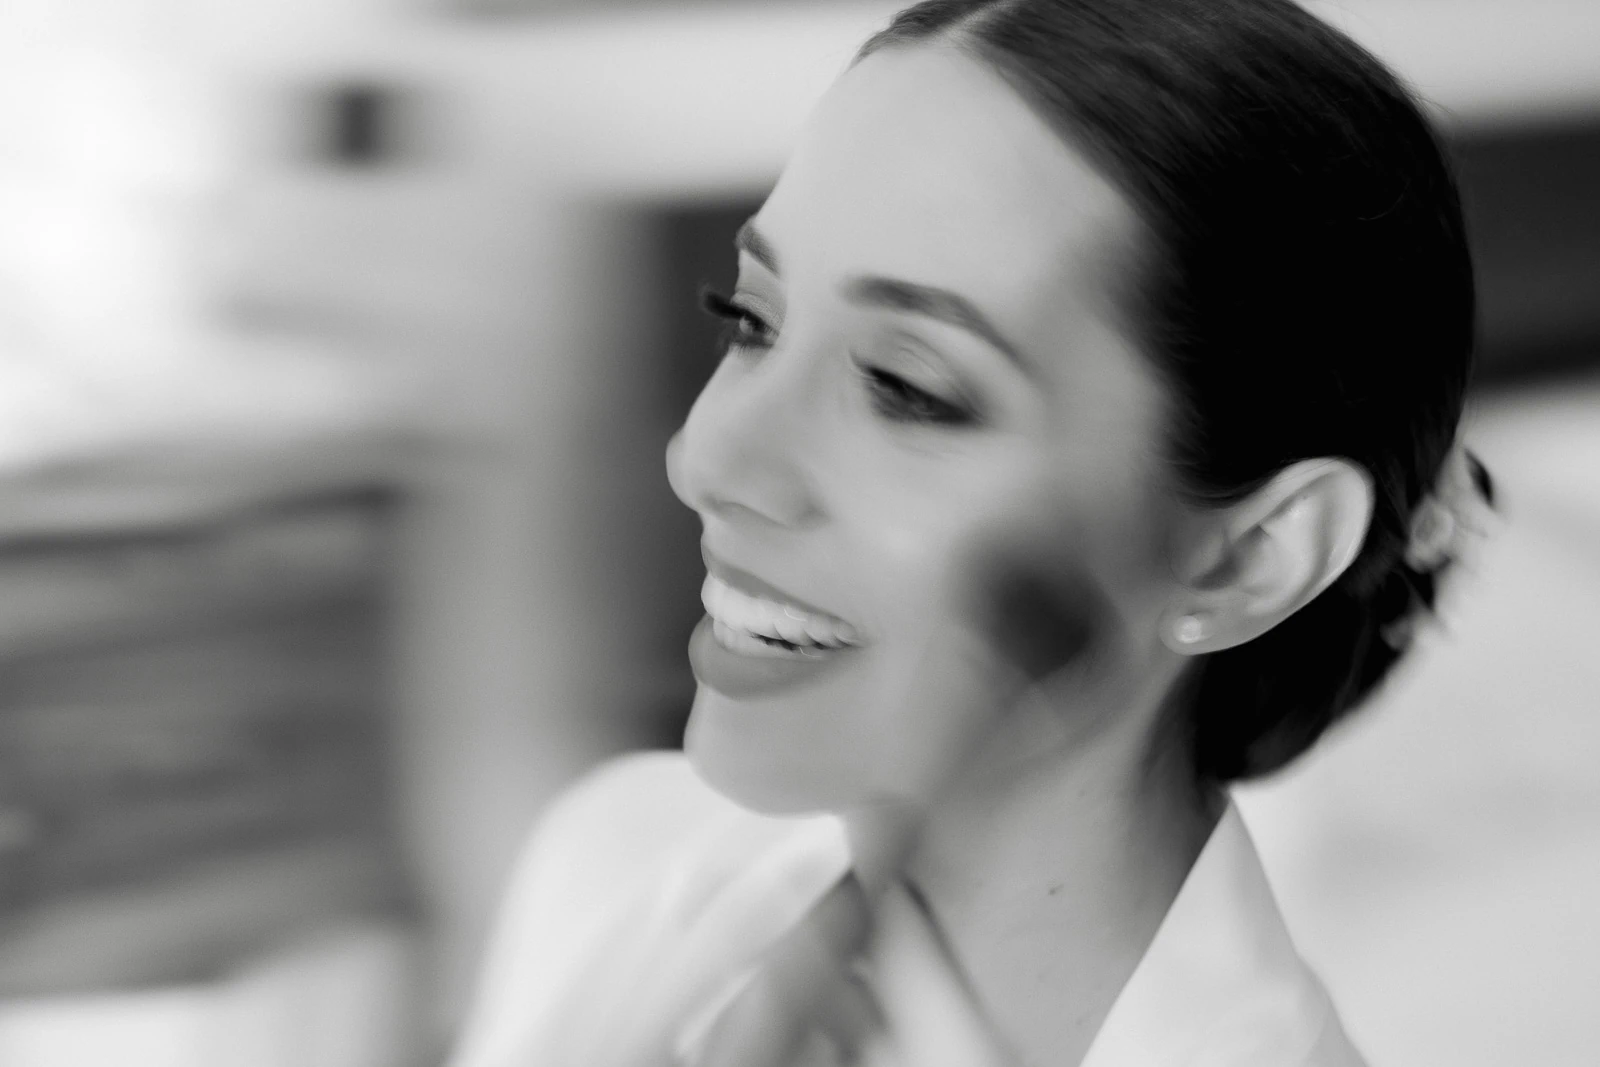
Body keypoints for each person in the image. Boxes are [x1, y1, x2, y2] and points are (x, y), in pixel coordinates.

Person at [448, 0, 1494, 1064]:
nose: (708, 458)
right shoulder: (620, 855)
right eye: (751, 320)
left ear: (1246, 556)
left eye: (908, 387)